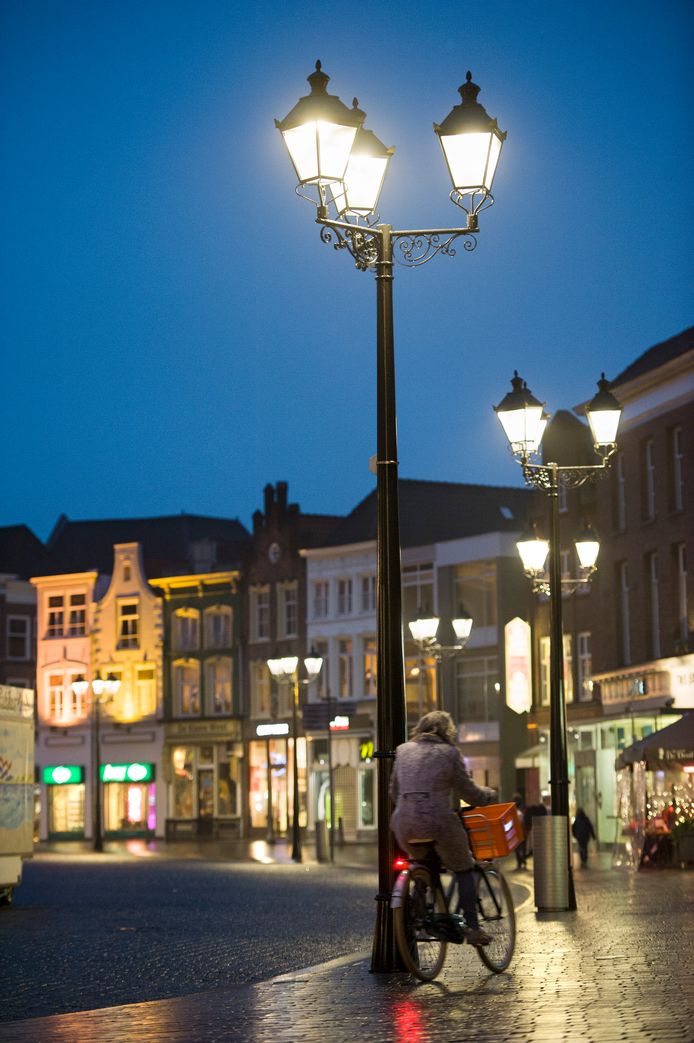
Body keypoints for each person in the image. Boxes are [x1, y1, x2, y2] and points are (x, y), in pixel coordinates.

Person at [390, 710, 497, 946]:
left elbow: (394, 791)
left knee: (423, 861)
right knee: (464, 866)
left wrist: (412, 807)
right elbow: (469, 792)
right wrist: (488, 796)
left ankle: (420, 905)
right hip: (437, 821)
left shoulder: (403, 751)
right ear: (447, 731)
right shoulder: (449, 753)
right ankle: (473, 928)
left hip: (404, 823)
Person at [512, 793, 528, 870]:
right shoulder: (523, 808)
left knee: (517, 848)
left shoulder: (513, 809)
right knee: (523, 847)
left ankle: (520, 862)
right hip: (522, 830)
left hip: (516, 831)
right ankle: (523, 861)